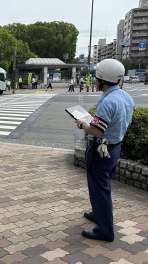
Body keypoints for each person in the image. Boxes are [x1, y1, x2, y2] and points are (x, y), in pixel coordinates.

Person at [75, 59, 134, 242]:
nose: (94, 80)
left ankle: (105, 230)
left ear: (103, 79)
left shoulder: (108, 101)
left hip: (100, 151)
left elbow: (96, 130)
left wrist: (82, 124)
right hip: (114, 148)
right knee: (103, 186)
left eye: (96, 77)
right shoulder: (126, 97)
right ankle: (97, 213)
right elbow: (125, 122)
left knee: (100, 189)